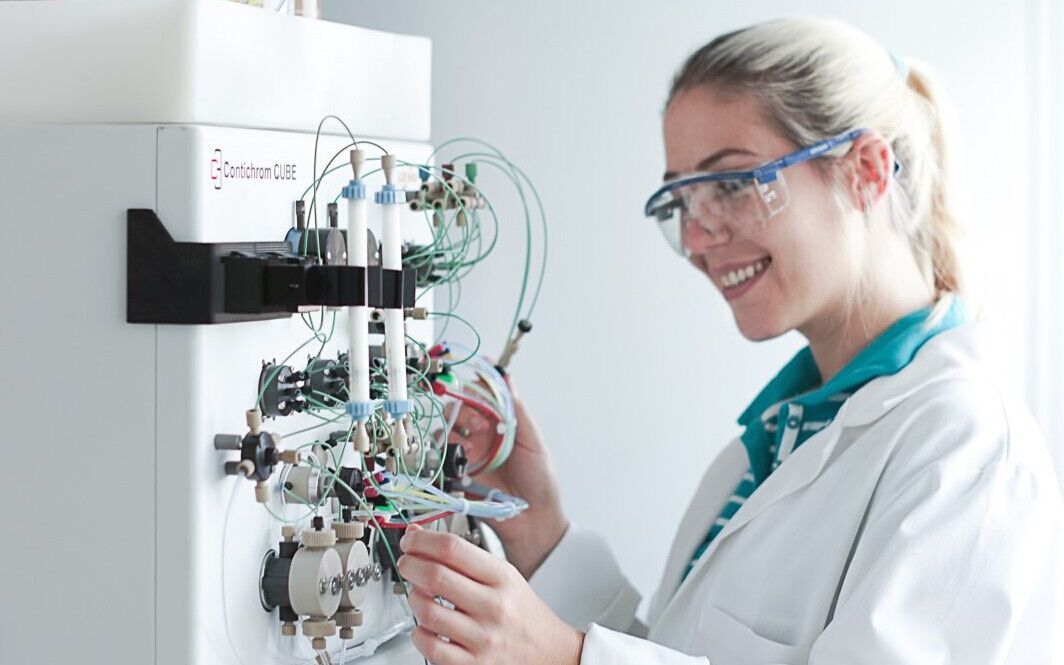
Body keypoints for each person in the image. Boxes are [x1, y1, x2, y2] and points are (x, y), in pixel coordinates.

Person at [395, 17, 1064, 665]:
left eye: (734, 185)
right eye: (682, 202)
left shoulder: (968, 447)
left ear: (865, 170)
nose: (695, 238)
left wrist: (570, 659)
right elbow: (680, 653)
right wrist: (541, 530)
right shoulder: (775, 438)